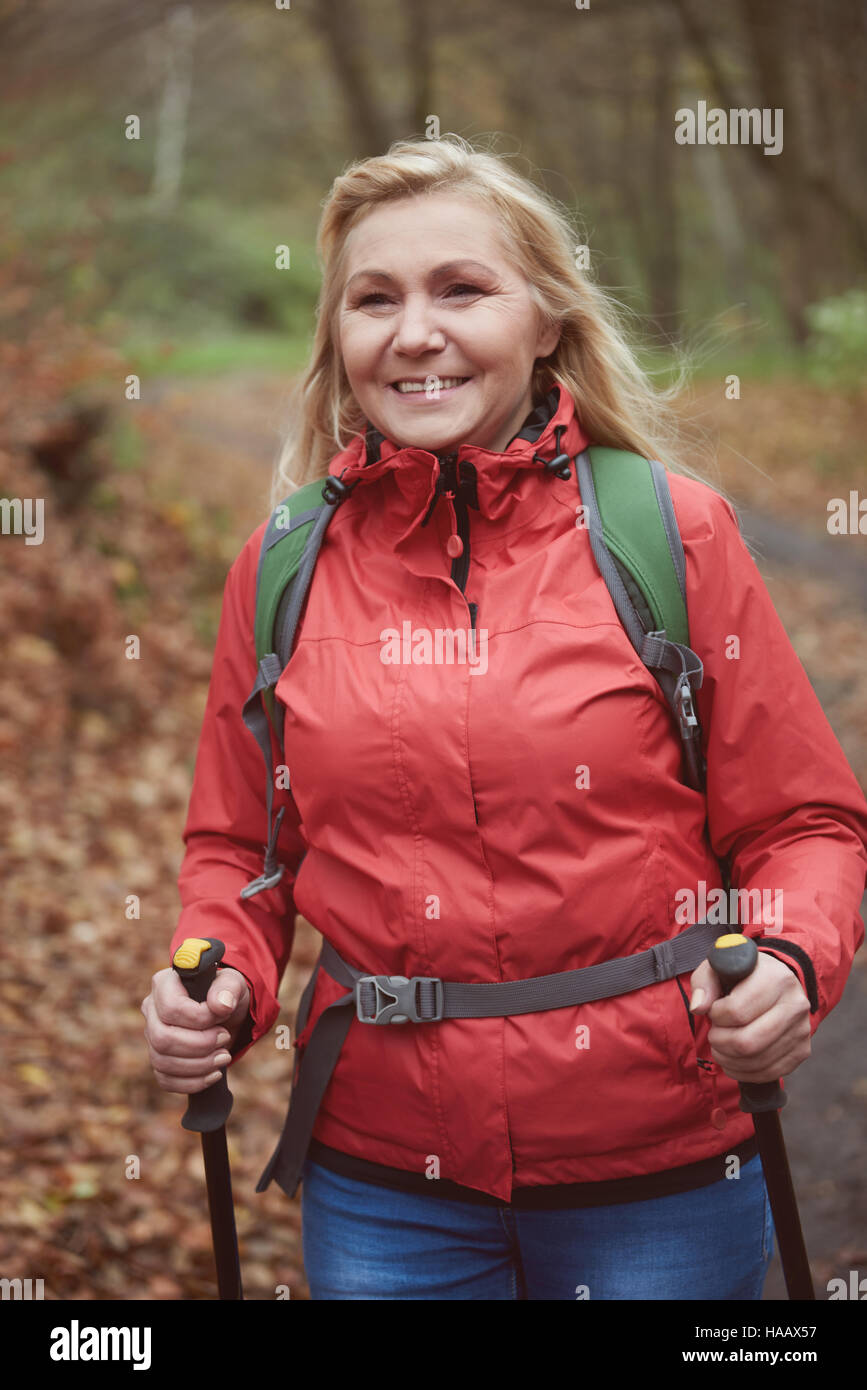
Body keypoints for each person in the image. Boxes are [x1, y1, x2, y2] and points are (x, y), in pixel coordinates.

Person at [141, 135, 867, 1301]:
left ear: (546, 323)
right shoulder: (283, 566)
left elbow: (806, 822)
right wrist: (220, 974)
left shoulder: (673, 534)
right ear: (339, 336)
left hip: (660, 1172)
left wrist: (787, 953)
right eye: (374, 299)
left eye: (462, 289)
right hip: (384, 1182)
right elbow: (244, 850)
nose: (414, 332)